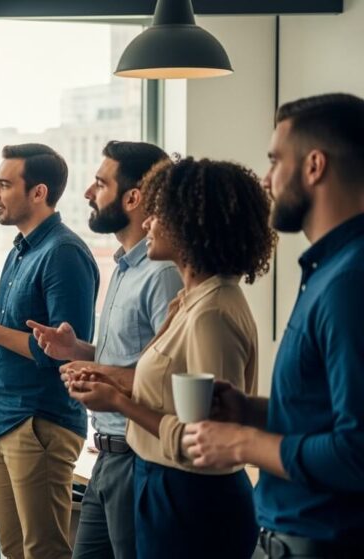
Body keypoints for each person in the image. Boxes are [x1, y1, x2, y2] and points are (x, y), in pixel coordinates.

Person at [64, 157, 275, 559]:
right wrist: (109, 381)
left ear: (191, 225)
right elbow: (173, 393)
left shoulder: (212, 312)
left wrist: (118, 403)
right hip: (164, 483)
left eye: (158, 214)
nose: (147, 223)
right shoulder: (191, 300)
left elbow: (205, 441)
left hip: (192, 497)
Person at [182, 93, 364, 558]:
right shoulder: (329, 270)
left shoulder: (350, 280)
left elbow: (356, 450)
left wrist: (242, 442)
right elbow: (321, 416)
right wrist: (249, 411)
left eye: (274, 160)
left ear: (314, 166)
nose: (266, 179)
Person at [0, 143, 98, 559]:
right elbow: (11, 332)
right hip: (4, 419)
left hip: (40, 423)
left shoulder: (64, 254)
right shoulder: (19, 249)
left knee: (43, 551)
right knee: (12, 550)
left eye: (4, 184)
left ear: (38, 193)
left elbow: (64, 351)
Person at [28, 141, 180, 559]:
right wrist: (79, 349)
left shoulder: (162, 274)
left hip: (139, 457)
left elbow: (169, 380)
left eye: (100, 183)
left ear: (133, 198)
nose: (88, 194)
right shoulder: (125, 266)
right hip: (108, 455)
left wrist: (102, 378)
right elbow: (138, 359)